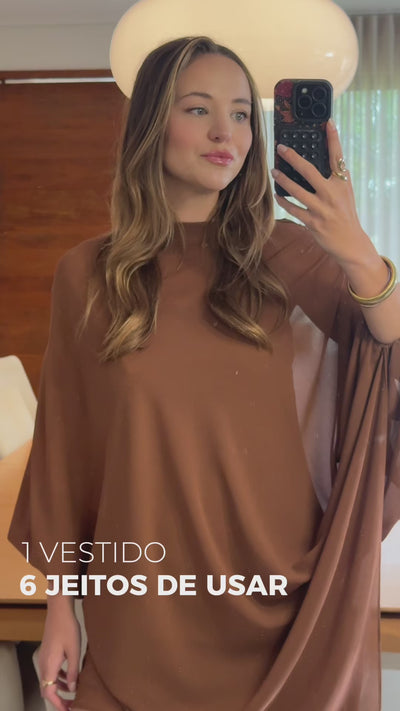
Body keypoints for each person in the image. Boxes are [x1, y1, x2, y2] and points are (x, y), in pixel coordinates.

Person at [7, 35, 400, 711]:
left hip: (282, 606)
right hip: (146, 612)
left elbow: (387, 348)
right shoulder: (90, 276)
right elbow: (68, 457)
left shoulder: (290, 255)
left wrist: (359, 252)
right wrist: (60, 608)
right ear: (152, 124)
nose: (227, 132)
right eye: (198, 109)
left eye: (243, 114)